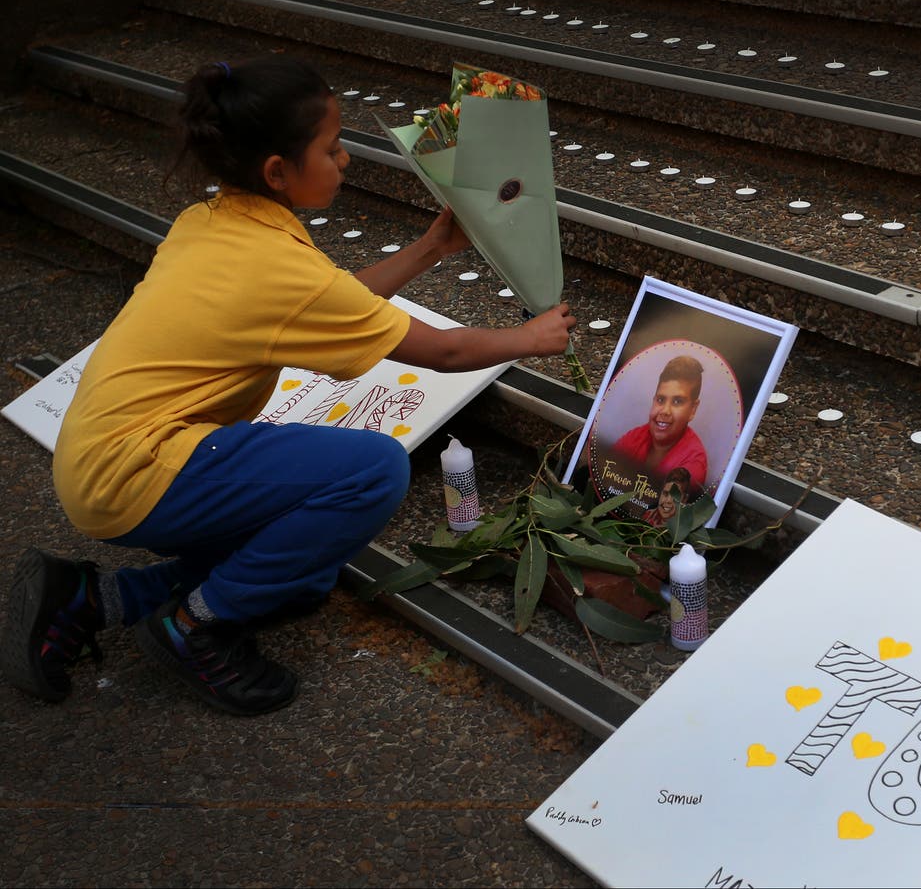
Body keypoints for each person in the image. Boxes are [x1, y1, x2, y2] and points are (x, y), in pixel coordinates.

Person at [0, 56, 575, 716]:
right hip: (138, 471)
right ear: (278, 170)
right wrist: (529, 338)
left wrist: (427, 249)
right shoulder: (274, 266)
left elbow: (335, 301)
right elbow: (441, 349)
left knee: (301, 572)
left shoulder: (214, 221)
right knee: (372, 472)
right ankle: (191, 626)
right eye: (331, 149)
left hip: (107, 454)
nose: (346, 160)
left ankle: (95, 598)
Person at [611, 355, 707, 496]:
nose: (665, 411)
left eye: (677, 402)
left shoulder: (692, 466)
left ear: (693, 409)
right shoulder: (635, 436)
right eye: (661, 400)